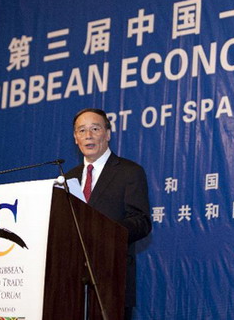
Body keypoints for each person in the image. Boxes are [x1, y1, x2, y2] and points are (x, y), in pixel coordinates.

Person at [66, 108, 152, 320]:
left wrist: (105, 231)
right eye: (82, 130)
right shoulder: (68, 178)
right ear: (75, 138)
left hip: (112, 276)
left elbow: (141, 221)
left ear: (107, 134)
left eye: (95, 129)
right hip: (71, 282)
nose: (88, 135)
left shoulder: (129, 171)